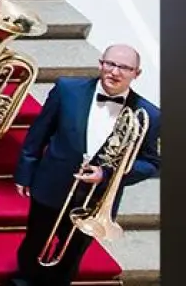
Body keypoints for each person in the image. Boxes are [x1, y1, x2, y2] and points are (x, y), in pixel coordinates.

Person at [9, 44, 161, 286]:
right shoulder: (67, 89)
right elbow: (39, 133)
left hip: (95, 199)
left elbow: (151, 163)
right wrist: (25, 172)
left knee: (71, 255)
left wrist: (106, 173)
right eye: (110, 64)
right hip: (52, 183)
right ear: (101, 64)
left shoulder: (149, 114)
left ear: (137, 73)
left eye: (124, 67)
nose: (115, 72)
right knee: (34, 242)